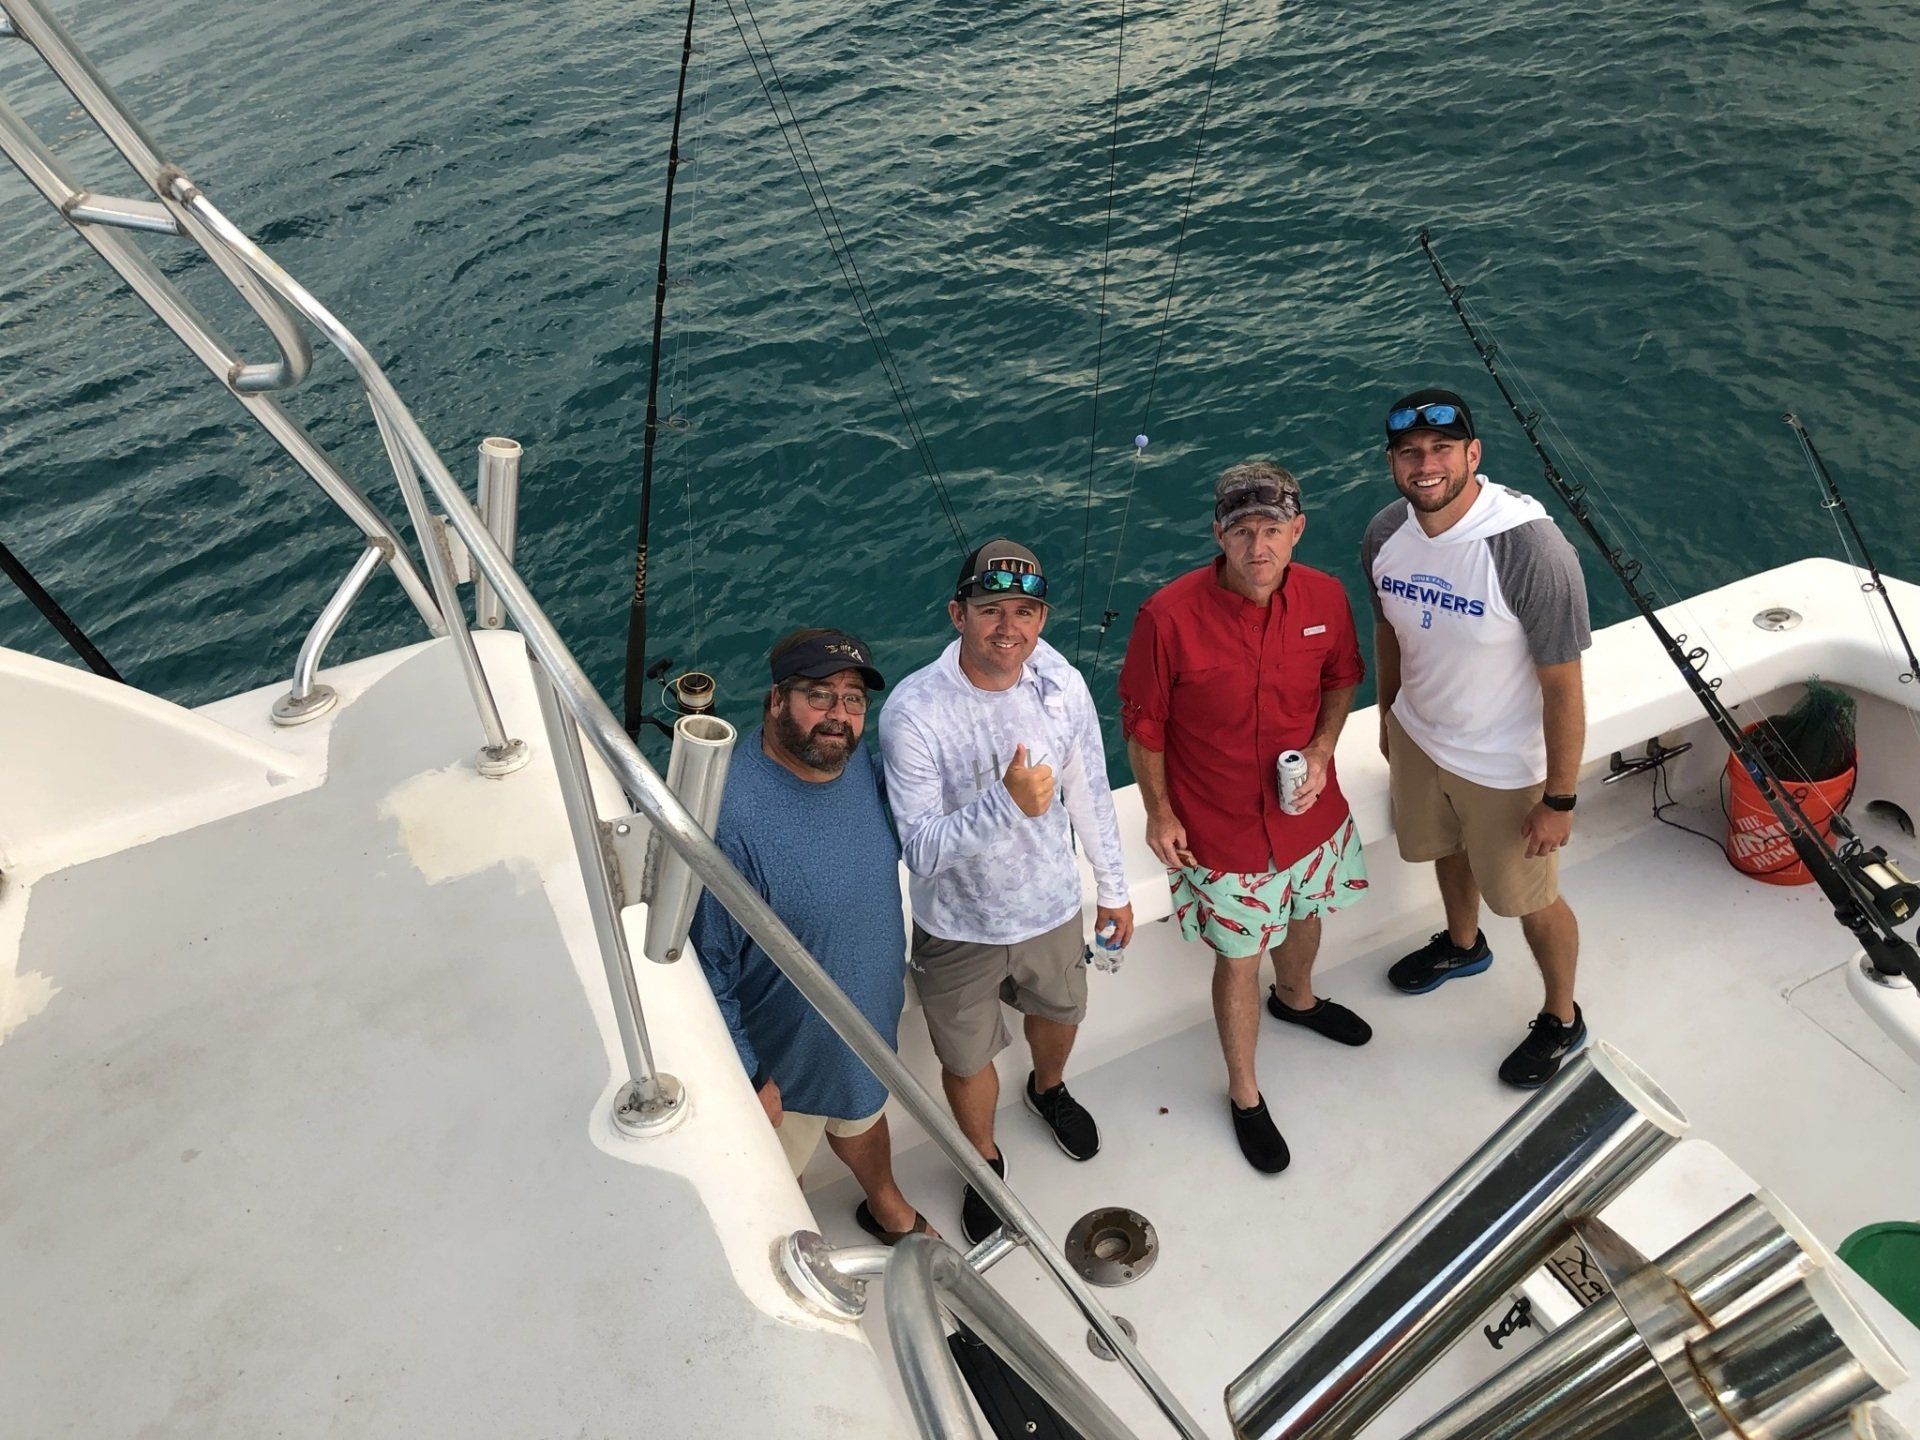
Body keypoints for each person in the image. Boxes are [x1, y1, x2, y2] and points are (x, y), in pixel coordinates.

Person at [1118, 460, 1370, 1174]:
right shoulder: (1166, 617)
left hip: (1309, 817)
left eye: (1271, 529)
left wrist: (1323, 749)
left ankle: (1298, 999)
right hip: (1220, 832)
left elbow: (1342, 675)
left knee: (1310, 911)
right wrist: (1158, 811)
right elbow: (1143, 724)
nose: (1258, 547)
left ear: (1298, 530)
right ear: (1218, 535)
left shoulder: (1325, 595)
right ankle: (1245, 1091)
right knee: (1238, 957)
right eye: (1242, 531)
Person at [880, 540, 1133, 1244]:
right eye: (991, 610)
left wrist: (1113, 888)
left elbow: (1087, 789)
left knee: (1062, 1011)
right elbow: (921, 851)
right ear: (957, 614)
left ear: (1042, 618)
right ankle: (983, 1160)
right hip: (958, 925)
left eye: (1026, 612)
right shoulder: (913, 711)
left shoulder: (1060, 684)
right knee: (966, 1060)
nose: (1008, 628)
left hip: (1053, 908)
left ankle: (1047, 1089)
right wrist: (1006, 804)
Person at [1362, 388, 1593, 1088]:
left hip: (1504, 767)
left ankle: (1562, 1017)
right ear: (1394, 462)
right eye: (1410, 453)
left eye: (1441, 451)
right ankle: (1463, 945)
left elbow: (1563, 685)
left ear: (1473, 456)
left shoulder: (1528, 548)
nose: (1425, 465)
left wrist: (1559, 797)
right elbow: (1388, 629)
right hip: (1420, 741)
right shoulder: (1384, 533)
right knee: (1442, 850)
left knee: (1530, 900)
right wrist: (1386, 714)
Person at [689, 628, 936, 1243]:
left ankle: (886, 1205)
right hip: (784, 1063)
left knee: (863, 1118)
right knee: (778, 1183)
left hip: (865, 1028)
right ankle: (802, 1250)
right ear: (776, 701)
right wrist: (750, 1077)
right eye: (819, 697)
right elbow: (705, 966)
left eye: (853, 700)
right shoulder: (727, 821)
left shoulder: (852, 767)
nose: (839, 717)